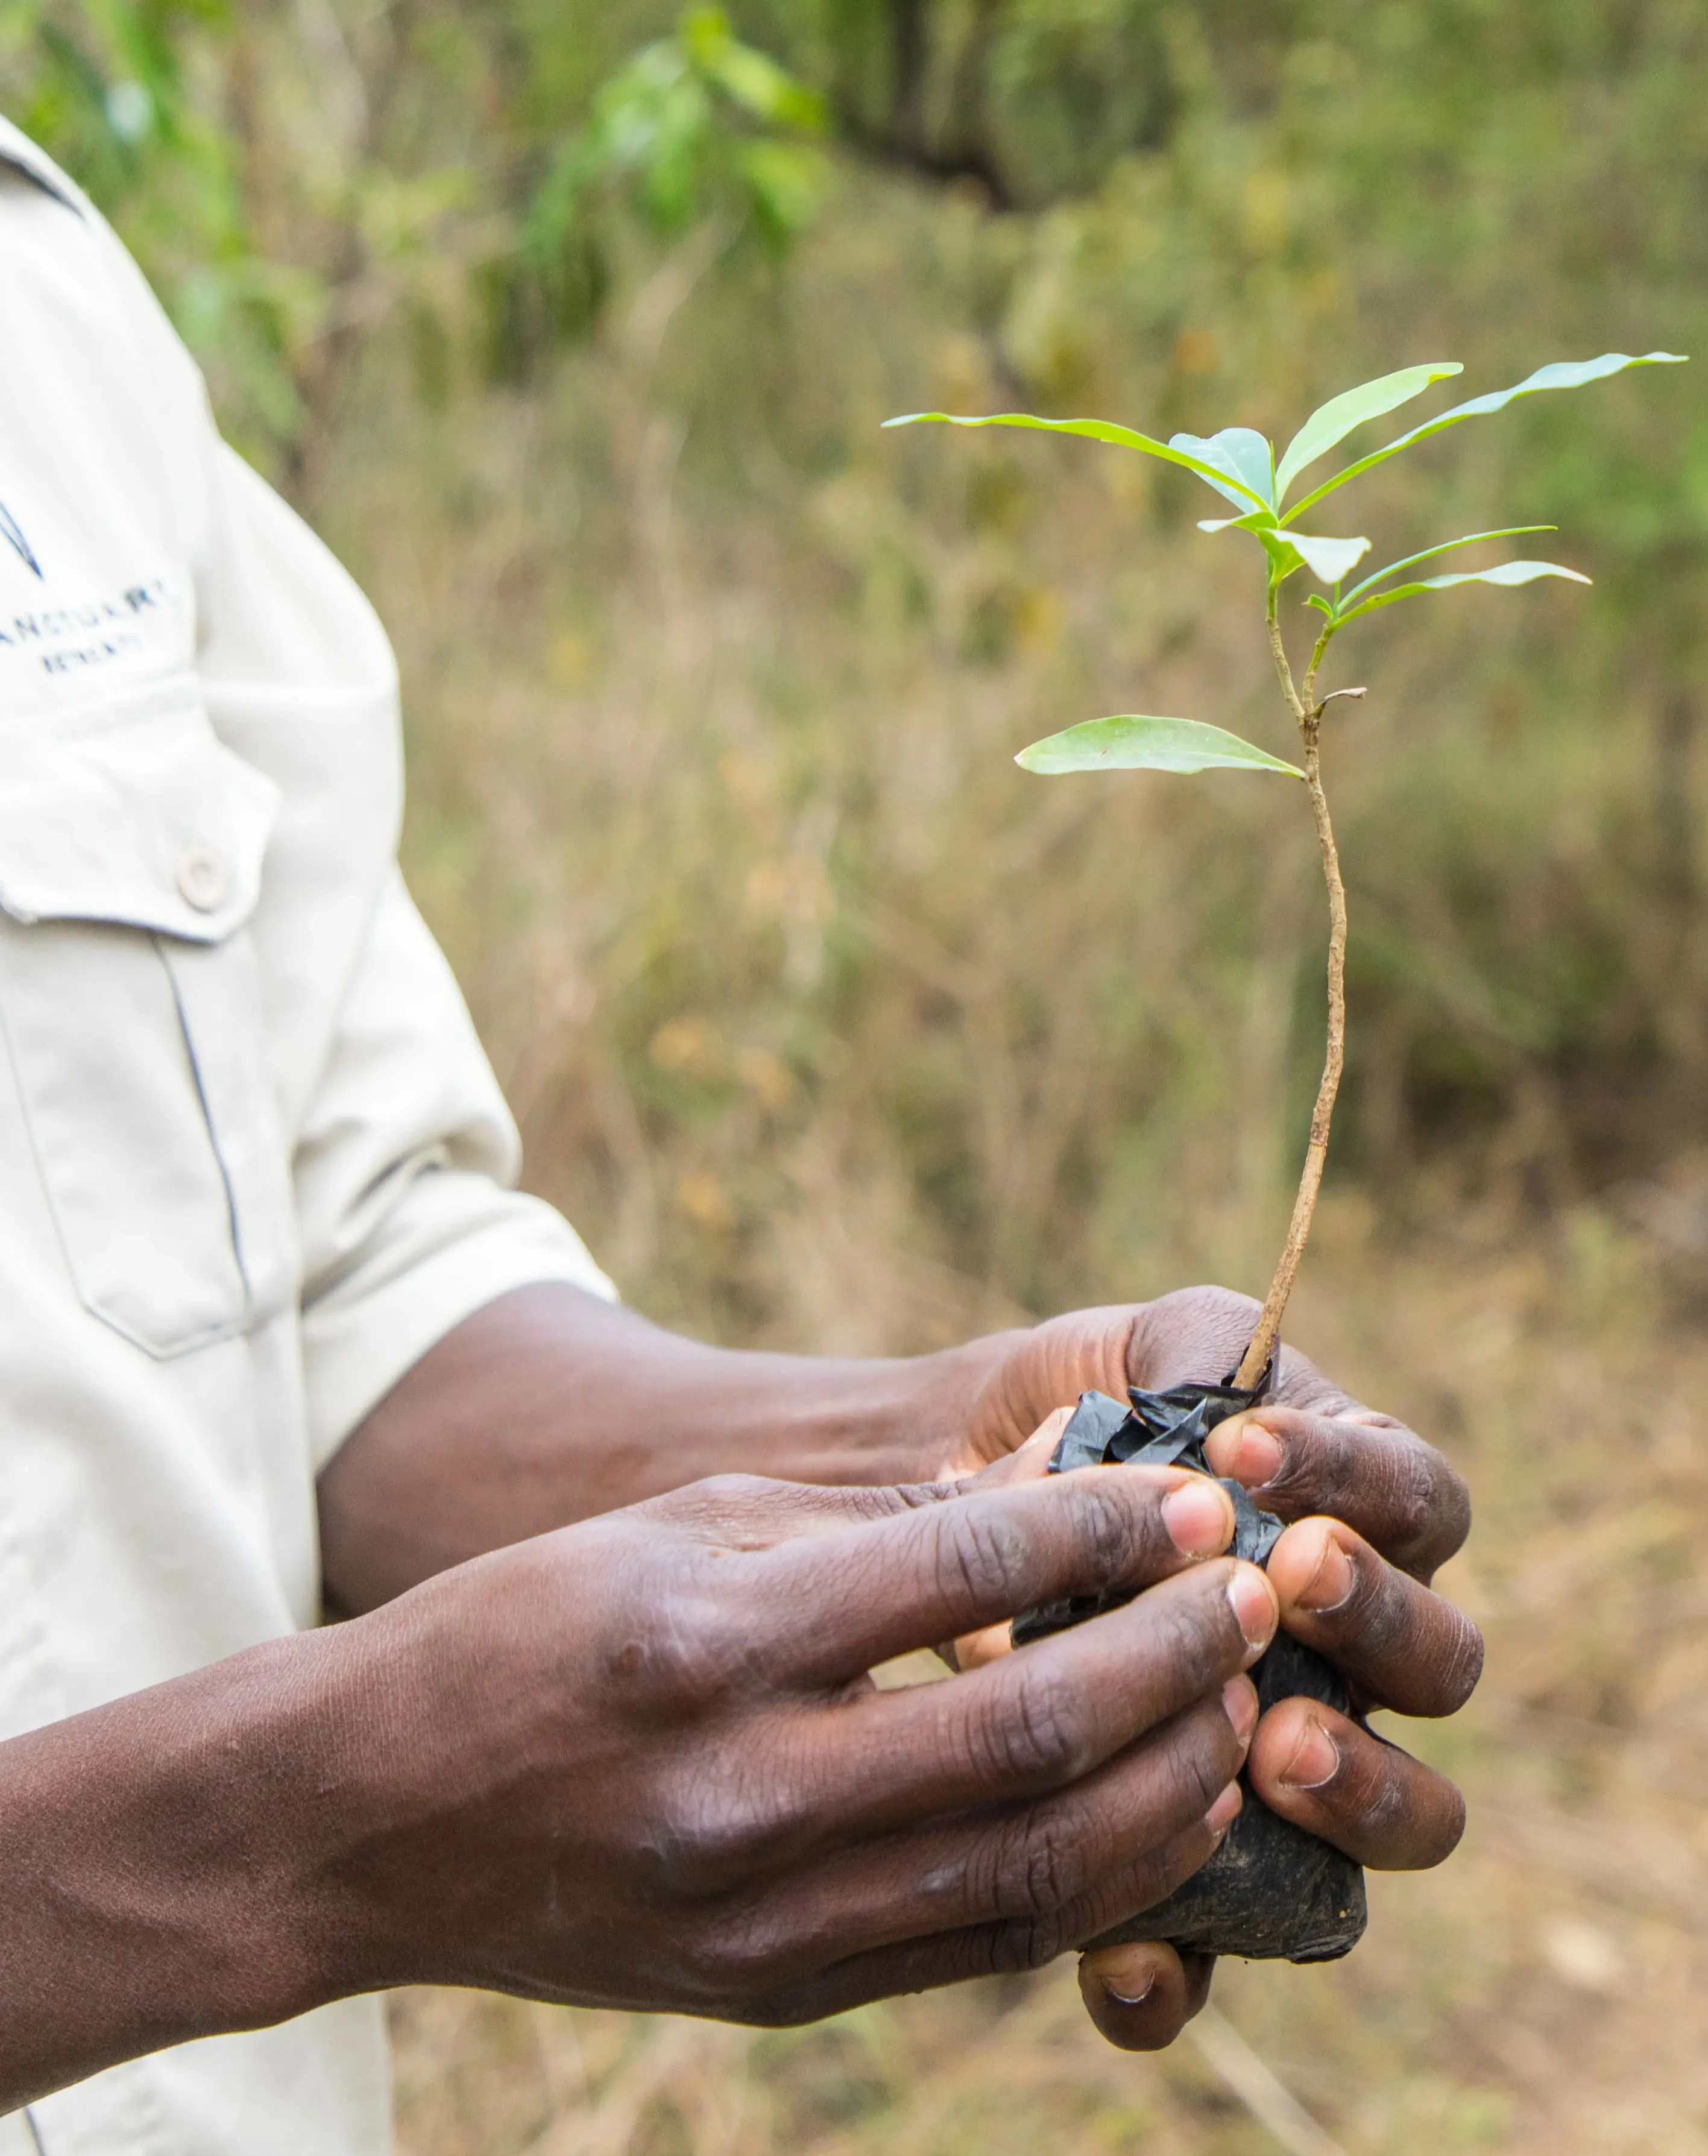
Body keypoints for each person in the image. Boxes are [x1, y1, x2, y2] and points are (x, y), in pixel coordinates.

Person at [0, 115, 1483, 2156]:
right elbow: (295, 1823)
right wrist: (302, 1840)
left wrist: (949, 1456)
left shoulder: (49, 310)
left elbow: (335, 1271)